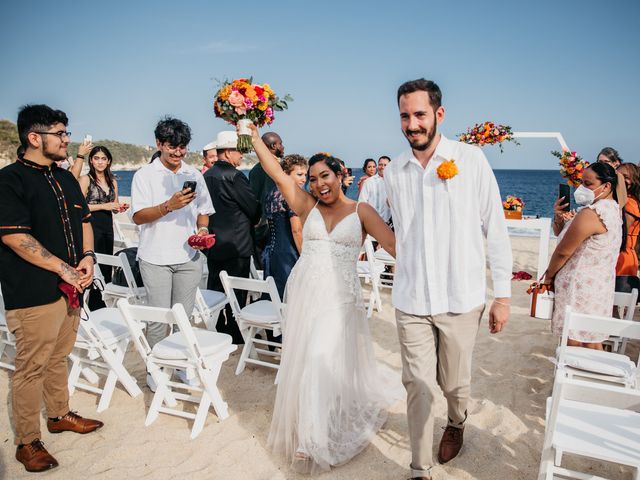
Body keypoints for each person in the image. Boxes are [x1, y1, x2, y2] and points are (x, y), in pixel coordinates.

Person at [246, 123, 400, 474]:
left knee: (317, 357)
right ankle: (311, 426)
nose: (319, 184)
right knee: (304, 359)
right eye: (312, 178)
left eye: (325, 175)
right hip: (305, 294)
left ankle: (308, 441)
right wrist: (253, 135)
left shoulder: (362, 212)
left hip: (341, 298)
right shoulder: (305, 205)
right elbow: (275, 171)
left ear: (341, 175)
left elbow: (394, 247)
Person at [384, 79, 513, 480]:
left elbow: (496, 227)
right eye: (405, 116)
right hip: (411, 299)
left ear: (439, 115)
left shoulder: (471, 159)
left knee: (454, 384)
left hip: (461, 297)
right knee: (418, 384)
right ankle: (420, 468)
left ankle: (456, 421)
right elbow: (391, 226)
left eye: (420, 114)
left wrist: (503, 297)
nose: (412, 124)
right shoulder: (394, 173)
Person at [0, 104, 103, 473]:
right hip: (32, 292)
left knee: (59, 357)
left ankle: (58, 415)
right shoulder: (10, 180)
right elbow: (14, 237)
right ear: (34, 137)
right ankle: (27, 442)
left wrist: (87, 258)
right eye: (60, 133)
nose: (67, 139)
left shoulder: (66, 178)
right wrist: (64, 268)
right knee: (30, 367)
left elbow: (85, 220)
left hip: (72, 288)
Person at [131, 117, 214, 351]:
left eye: (182, 147)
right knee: (158, 322)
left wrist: (202, 230)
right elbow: (137, 217)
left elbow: (204, 211)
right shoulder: (144, 175)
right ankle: (155, 370)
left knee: (183, 321)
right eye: (172, 146)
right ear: (159, 144)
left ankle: (180, 366)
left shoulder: (194, 174)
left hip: (189, 258)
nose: (178, 152)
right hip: (155, 259)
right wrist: (168, 206)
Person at [546, 162, 622, 349]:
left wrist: (548, 277)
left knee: (575, 343)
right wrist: (558, 215)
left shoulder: (592, 213)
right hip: (598, 287)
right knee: (592, 342)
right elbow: (561, 232)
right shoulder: (611, 209)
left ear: (606, 186)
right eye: (581, 183)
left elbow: (563, 251)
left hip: (580, 290)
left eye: (588, 184)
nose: (582, 188)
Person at [204, 131, 261, 344]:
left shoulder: (207, 175)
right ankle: (235, 330)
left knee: (216, 285)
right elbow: (253, 207)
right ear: (228, 152)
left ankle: (218, 324)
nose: (242, 156)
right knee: (237, 288)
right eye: (239, 152)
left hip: (213, 240)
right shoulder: (235, 176)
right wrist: (256, 216)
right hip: (237, 241)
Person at [79, 146, 128, 310]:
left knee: (106, 267)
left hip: (108, 227)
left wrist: (119, 208)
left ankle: (103, 306)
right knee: (93, 267)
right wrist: (105, 206)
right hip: (91, 227)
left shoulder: (113, 181)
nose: (100, 162)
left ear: (109, 161)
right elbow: (78, 207)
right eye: (96, 158)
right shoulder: (86, 180)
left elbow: (114, 205)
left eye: (103, 158)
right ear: (91, 161)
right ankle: (91, 307)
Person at [262, 154, 307, 298]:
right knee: (291, 298)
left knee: (275, 297)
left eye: (305, 175)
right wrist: (305, 255)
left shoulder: (272, 193)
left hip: (270, 252)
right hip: (289, 253)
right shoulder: (292, 195)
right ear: (286, 174)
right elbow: (296, 230)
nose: (303, 179)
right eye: (299, 174)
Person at [249, 131, 284, 268]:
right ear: (274, 146)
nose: (283, 147)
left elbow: (253, 198)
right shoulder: (279, 169)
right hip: (275, 226)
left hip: (259, 227)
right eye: (281, 143)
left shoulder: (255, 170)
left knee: (262, 269)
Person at [615, 163, 640, 277]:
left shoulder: (629, 203)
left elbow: (620, 233)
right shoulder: (622, 202)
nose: (621, 180)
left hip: (623, 258)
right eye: (618, 176)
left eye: (626, 177)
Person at [359, 155, 391, 223]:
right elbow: (362, 203)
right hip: (371, 222)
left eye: (385, 165)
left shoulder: (394, 182)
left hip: (390, 223)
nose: (382, 167)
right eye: (380, 164)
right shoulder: (368, 182)